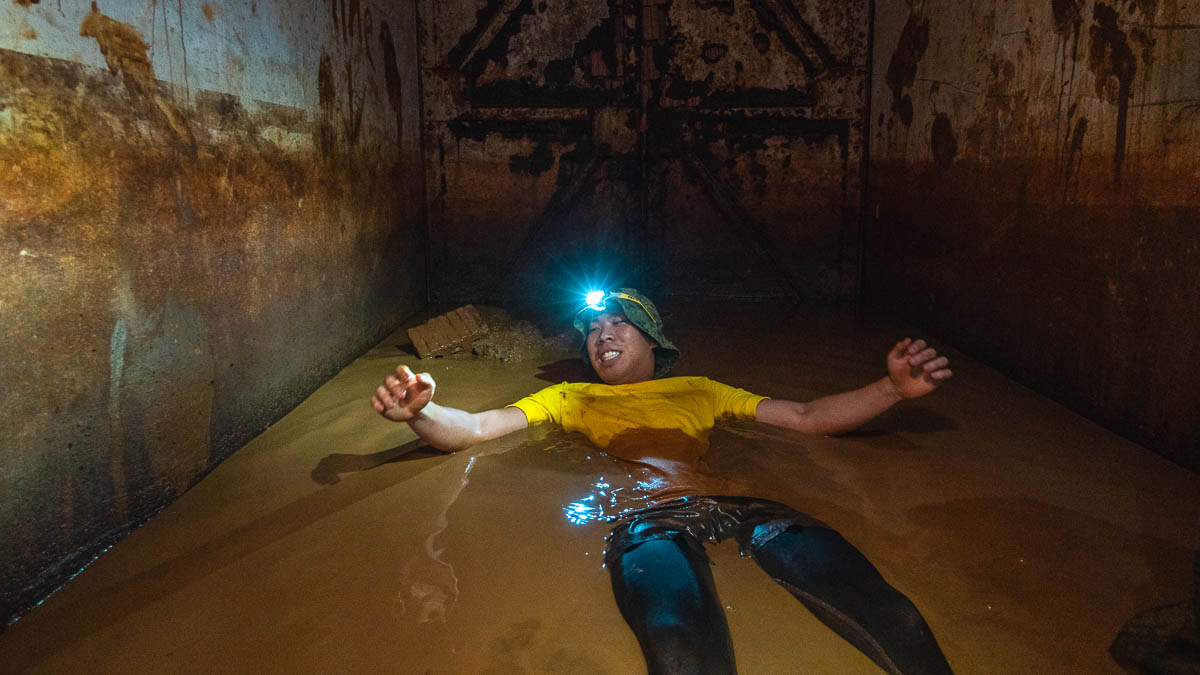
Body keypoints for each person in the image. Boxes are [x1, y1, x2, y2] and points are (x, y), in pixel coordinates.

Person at [371, 289, 955, 674]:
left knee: (890, 612)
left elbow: (805, 419)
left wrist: (892, 390)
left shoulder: (700, 388)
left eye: (618, 324)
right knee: (675, 637)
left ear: (652, 339)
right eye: (594, 329)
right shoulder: (569, 395)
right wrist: (421, 413)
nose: (602, 334)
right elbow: (474, 428)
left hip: (739, 503)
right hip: (646, 518)